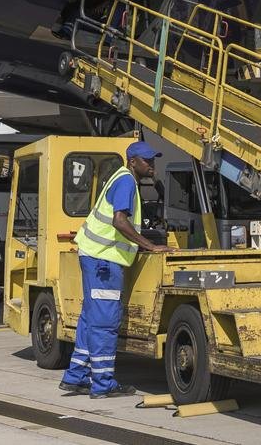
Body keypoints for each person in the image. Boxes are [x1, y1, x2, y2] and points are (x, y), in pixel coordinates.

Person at [59, 141, 174, 399]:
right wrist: (151, 246)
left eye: (153, 160)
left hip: (94, 256)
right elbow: (119, 221)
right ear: (132, 161)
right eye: (147, 161)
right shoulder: (126, 182)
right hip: (104, 261)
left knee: (90, 317)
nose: (151, 165)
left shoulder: (120, 178)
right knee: (104, 322)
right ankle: (102, 384)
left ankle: (76, 377)